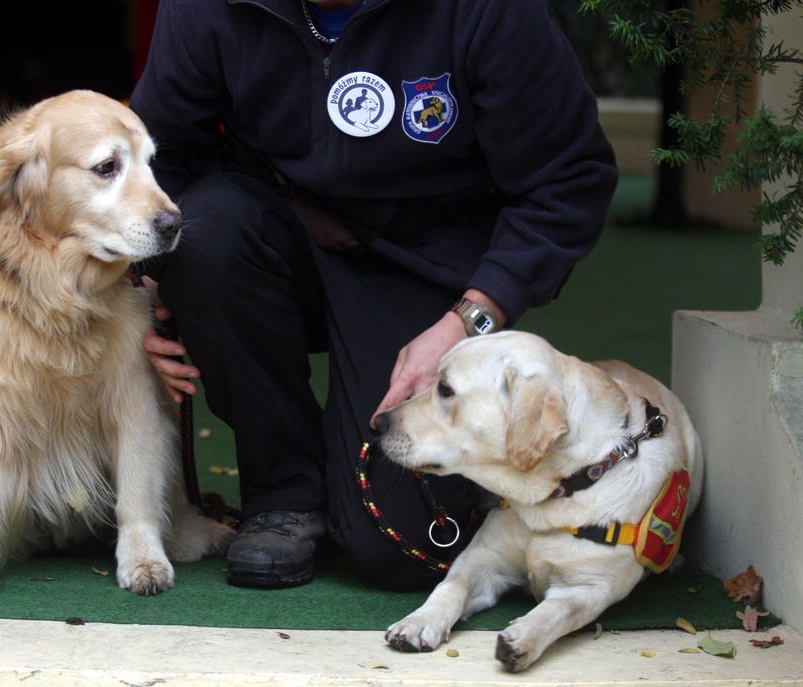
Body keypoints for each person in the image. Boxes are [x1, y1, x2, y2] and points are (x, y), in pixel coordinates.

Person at [129, 0, 618, 592]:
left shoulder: (493, 11)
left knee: (400, 551)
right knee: (206, 233)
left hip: (427, 263)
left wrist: (471, 318)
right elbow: (163, 158)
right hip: (270, 237)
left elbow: (568, 181)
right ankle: (285, 494)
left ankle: (384, 489)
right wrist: (143, 292)